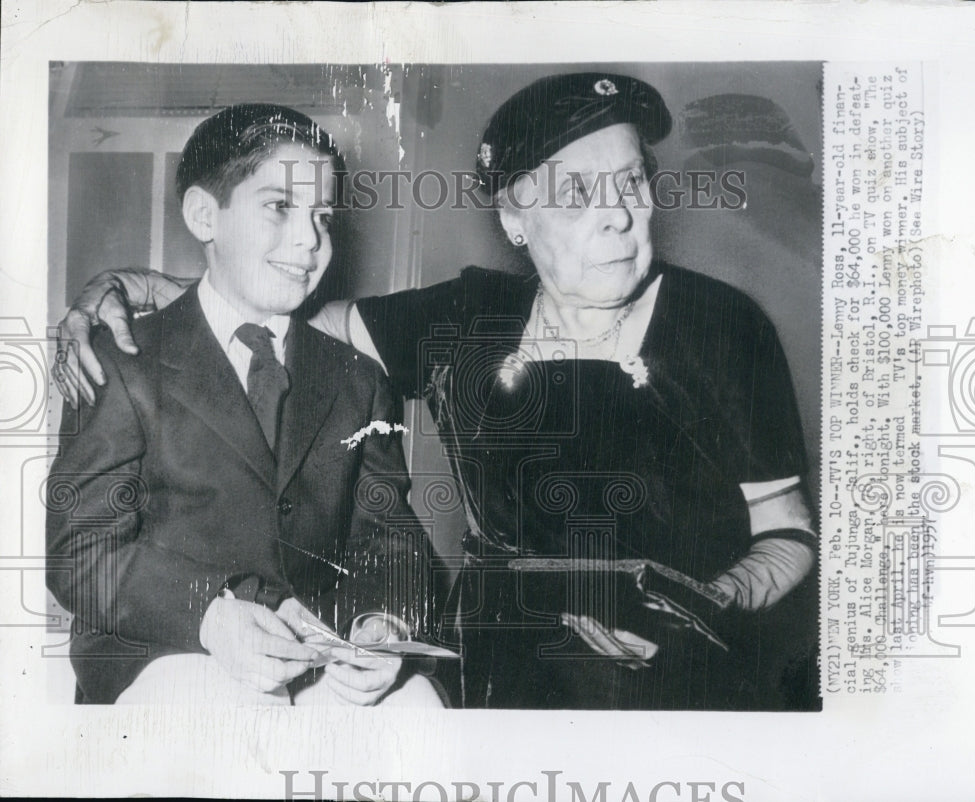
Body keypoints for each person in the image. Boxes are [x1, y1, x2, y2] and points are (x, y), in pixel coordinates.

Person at [55, 74, 819, 710]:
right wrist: (128, 289)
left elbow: (787, 533)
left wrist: (700, 609)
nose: (618, 215)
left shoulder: (726, 327)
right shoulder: (469, 314)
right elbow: (271, 310)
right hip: (501, 657)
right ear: (515, 218)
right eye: (578, 193)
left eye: (631, 182)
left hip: (682, 657)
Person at [46, 104, 440, 706]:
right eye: (280, 207)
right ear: (205, 215)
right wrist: (208, 614)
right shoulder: (123, 361)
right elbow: (80, 552)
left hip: (314, 657)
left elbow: (391, 539)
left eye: (323, 216)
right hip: (167, 651)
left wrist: (381, 622)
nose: (311, 240)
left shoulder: (358, 380)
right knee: (230, 711)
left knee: (416, 708)